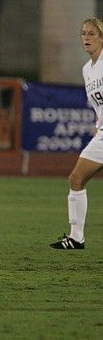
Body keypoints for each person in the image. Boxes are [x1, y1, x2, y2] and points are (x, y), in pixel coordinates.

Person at [50, 17, 103, 250]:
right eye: (83, 34)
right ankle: (76, 238)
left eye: (92, 34)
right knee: (76, 179)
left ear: (101, 38)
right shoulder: (87, 69)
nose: (87, 38)